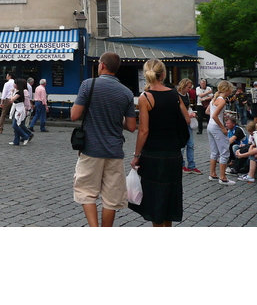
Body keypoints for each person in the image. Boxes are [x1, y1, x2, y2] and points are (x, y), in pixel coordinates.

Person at [71, 52, 137, 227]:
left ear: (102, 65)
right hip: (115, 151)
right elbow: (131, 126)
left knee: (86, 192)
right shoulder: (126, 92)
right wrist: (115, 118)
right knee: (111, 198)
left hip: (91, 149)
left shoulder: (88, 85)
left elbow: (74, 115)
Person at [129, 58, 190, 226]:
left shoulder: (146, 97)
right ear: (163, 74)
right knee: (170, 197)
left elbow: (144, 130)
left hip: (153, 154)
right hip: (173, 153)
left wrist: (136, 155)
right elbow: (187, 119)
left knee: (155, 199)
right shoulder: (174, 94)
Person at [206, 80, 236, 185]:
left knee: (214, 151)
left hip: (210, 126)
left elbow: (208, 112)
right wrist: (222, 127)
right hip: (216, 127)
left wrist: (220, 115)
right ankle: (223, 177)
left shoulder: (214, 99)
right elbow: (214, 116)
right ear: (227, 90)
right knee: (224, 152)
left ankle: (213, 174)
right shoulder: (222, 101)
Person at [177, 79, 202, 174]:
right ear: (183, 86)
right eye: (188, 87)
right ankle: (182, 165)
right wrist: (187, 115)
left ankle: (191, 165)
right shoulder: (176, 95)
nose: (190, 89)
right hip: (180, 123)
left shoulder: (186, 95)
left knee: (190, 144)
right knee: (182, 145)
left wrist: (190, 113)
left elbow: (187, 107)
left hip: (188, 122)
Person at [8, 78, 33, 146]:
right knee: (19, 125)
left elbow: (12, 99)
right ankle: (16, 140)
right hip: (18, 109)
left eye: (15, 83)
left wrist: (27, 109)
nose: (14, 84)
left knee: (15, 125)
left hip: (21, 110)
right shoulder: (18, 91)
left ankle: (25, 136)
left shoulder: (22, 92)